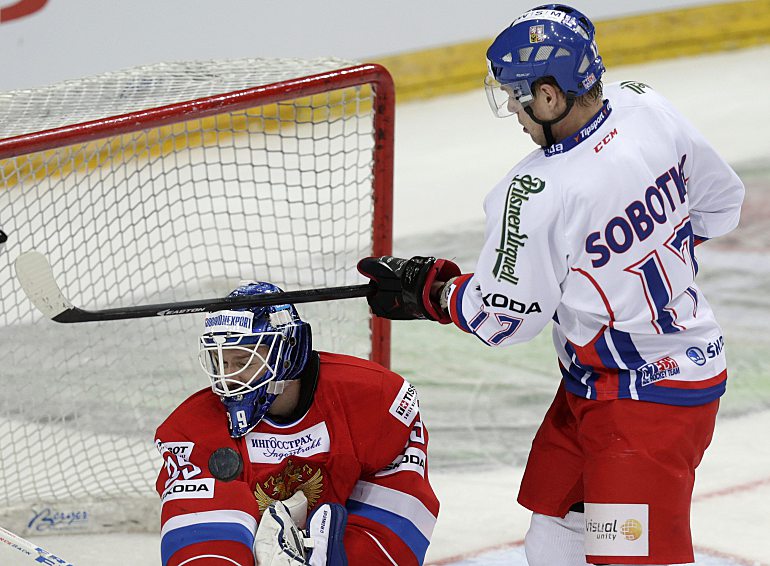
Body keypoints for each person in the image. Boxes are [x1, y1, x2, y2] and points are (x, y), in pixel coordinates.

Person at [357, 4, 744, 566]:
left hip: (641, 409)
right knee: (554, 535)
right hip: (625, 381)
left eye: (516, 98)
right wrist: (645, 248)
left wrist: (433, 293)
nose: (513, 112)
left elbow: (503, 320)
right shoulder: (645, 105)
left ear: (548, 96)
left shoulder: (535, 191)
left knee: (625, 557)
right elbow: (721, 206)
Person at [154, 281, 439, 566]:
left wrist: (343, 559)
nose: (229, 379)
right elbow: (205, 546)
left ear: (287, 355)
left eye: (243, 362)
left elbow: (399, 519)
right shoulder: (193, 429)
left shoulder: (374, 397)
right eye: (221, 363)